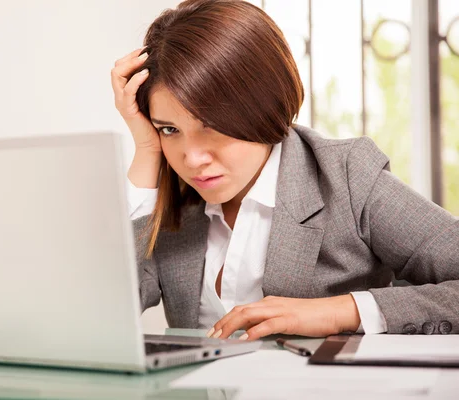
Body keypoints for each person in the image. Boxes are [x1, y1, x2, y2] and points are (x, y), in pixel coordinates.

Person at [110, 0, 459, 341]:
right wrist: (146, 149)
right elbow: (102, 306)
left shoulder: (347, 178)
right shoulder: (167, 196)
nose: (192, 158)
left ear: (264, 107)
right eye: (170, 129)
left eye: (211, 125)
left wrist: (341, 311)